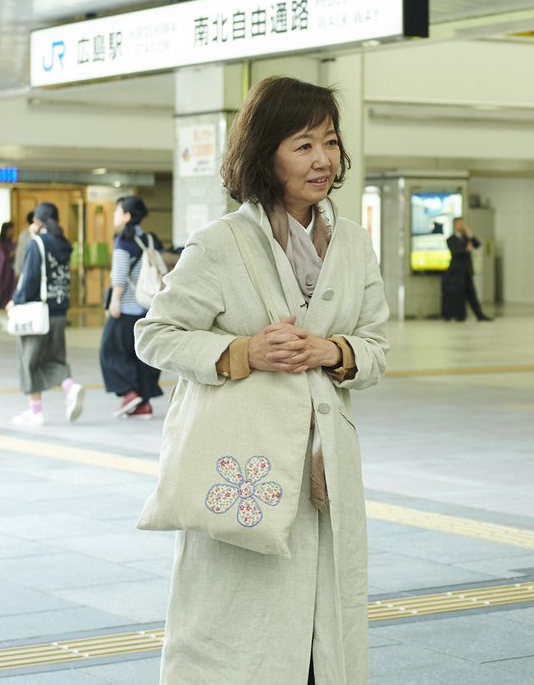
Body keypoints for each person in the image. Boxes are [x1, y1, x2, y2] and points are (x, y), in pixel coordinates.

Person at [135, 76, 388, 684]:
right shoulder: (222, 244)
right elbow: (154, 335)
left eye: (329, 142)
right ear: (264, 153)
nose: (323, 159)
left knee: (323, 635)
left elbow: (377, 346)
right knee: (237, 631)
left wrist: (334, 350)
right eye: (303, 145)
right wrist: (243, 351)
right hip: (245, 466)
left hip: (324, 472)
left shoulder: (351, 243)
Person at [8, 202, 83, 426]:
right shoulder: (64, 245)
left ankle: (35, 411)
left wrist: (16, 301)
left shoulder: (37, 244)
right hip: (59, 311)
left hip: (38, 313)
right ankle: (70, 387)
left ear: (37, 222)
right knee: (54, 357)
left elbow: (29, 278)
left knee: (29, 360)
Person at [99, 195, 163, 418]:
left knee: (111, 352)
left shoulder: (123, 241)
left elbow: (119, 275)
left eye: (117, 211)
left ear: (126, 215)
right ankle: (143, 403)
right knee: (142, 355)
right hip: (148, 307)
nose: (115, 215)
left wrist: (115, 301)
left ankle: (128, 393)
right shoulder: (151, 239)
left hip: (127, 308)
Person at [440, 217, 492, 321]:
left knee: (472, 294)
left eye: (463, 224)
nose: (462, 226)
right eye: (460, 224)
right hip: (456, 273)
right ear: (455, 225)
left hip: (467, 271)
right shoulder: (451, 239)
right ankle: (459, 316)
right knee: (459, 295)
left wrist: (471, 236)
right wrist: (466, 249)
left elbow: (477, 245)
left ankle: (480, 315)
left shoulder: (467, 238)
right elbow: (456, 251)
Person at [0, 221, 17, 331]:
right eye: (9, 229)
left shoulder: (13, 244)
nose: (11, 232)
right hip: (2, 274)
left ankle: (9, 317)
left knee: (10, 294)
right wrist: (12, 254)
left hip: (11, 274)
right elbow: (3, 258)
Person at [13, 210, 35, 278]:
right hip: (28, 269)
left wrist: (17, 270)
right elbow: (20, 253)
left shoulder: (23, 235)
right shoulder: (25, 235)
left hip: (27, 269)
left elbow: (19, 253)